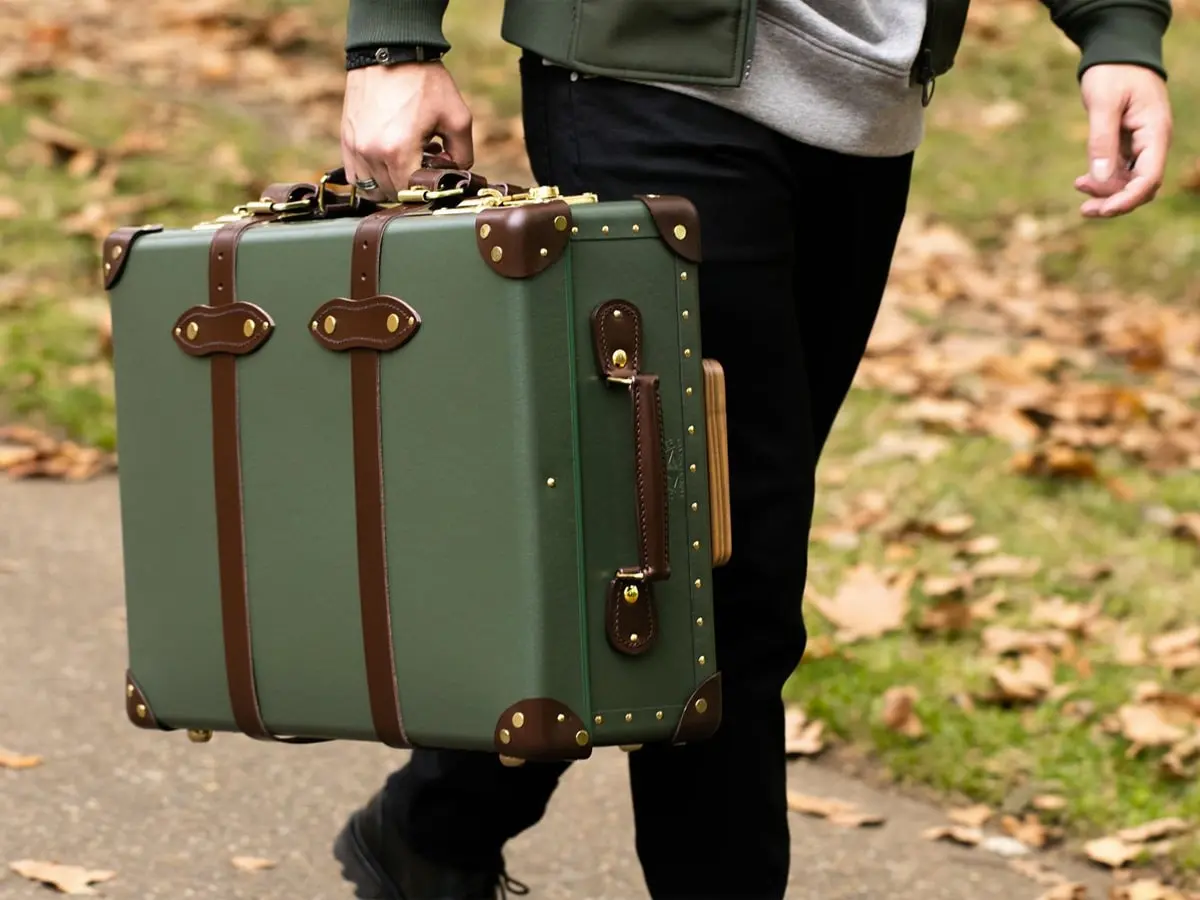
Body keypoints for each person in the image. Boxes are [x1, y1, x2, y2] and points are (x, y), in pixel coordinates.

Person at [332, 2, 1174, 898]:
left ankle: (437, 823)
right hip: (649, 80)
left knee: (672, 544)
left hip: (865, 112)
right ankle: (442, 829)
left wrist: (1116, 29)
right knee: (726, 580)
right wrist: (392, 40)